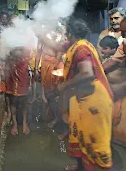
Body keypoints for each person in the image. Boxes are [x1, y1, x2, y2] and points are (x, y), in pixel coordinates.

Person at [40, 18, 113, 171]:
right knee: (80, 135)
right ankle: (80, 166)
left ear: (72, 33)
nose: (65, 36)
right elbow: (56, 46)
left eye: (67, 33)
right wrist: (38, 33)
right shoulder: (75, 44)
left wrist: (64, 85)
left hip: (94, 101)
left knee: (92, 140)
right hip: (82, 100)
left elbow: (87, 74)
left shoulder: (81, 49)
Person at [35, 23, 67, 140]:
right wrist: (36, 67)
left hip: (56, 66)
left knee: (56, 94)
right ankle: (53, 116)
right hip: (45, 64)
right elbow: (39, 50)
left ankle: (60, 120)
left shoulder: (62, 32)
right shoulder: (44, 33)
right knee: (47, 93)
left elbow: (59, 51)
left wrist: (54, 66)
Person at [100, 36, 126, 147]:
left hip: (119, 92)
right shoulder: (105, 58)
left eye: (105, 48)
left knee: (117, 120)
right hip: (108, 92)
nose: (102, 50)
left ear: (114, 49)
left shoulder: (121, 60)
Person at [5, 47, 32, 135]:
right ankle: (15, 123)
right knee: (13, 101)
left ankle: (24, 123)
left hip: (23, 69)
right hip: (12, 67)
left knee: (24, 101)